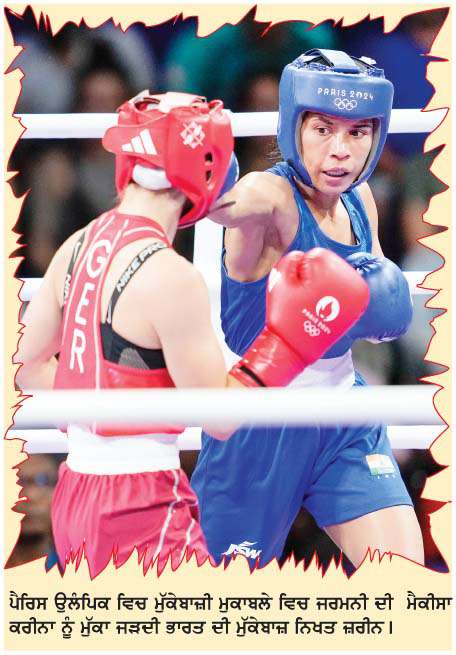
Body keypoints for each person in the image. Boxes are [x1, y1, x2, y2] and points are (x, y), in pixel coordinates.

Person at [15, 90, 369, 577]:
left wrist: (108, 411)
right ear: (205, 168)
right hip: (140, 500)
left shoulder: (79, 244)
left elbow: (26, 365)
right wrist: (286, 344)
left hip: (76, 489)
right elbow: (218, 417)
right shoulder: (171, 276)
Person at [191, 49, 425, 568]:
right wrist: (193, 181)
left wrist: (382, 305)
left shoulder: (360, 200)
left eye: (358, 132)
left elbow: (378, 312)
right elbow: (229, 206)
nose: (340, 151)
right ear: (292, 126)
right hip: (258, 423)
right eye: (322, 129)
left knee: (405, 580)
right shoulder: (271, 195)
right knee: (216, 602)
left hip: (344, 414)